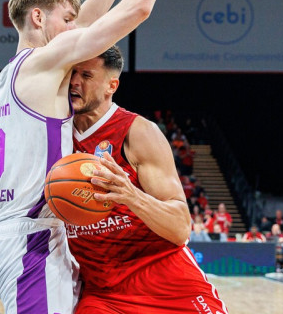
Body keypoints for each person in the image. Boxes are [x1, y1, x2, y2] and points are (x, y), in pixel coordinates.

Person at [0, 0, 175, 314]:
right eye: (65, 18)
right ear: (38, 16)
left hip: (24, 233)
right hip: (31, 238)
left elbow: (84, 25)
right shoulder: (43, 64)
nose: (76, 28)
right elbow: (140, 7)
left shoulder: (13, 73)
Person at [69, 46, 227, 313]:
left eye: (86, 75)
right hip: (104, 294)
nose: (74, 81)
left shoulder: (138, 132)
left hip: (165, 280)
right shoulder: (54, 134)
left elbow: (180, 228)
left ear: (111, 85)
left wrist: (131, 195)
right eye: (72, 72)